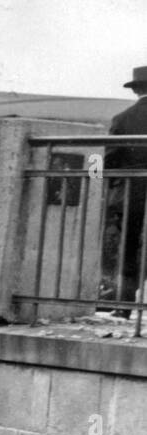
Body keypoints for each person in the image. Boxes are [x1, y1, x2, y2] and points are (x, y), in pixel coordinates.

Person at [106, 67, 147, 306]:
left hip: (130, 191)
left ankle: (124, 305)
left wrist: (98, 180)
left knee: (128, 246)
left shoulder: (121, 119)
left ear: (136, 90)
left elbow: (108, 158)